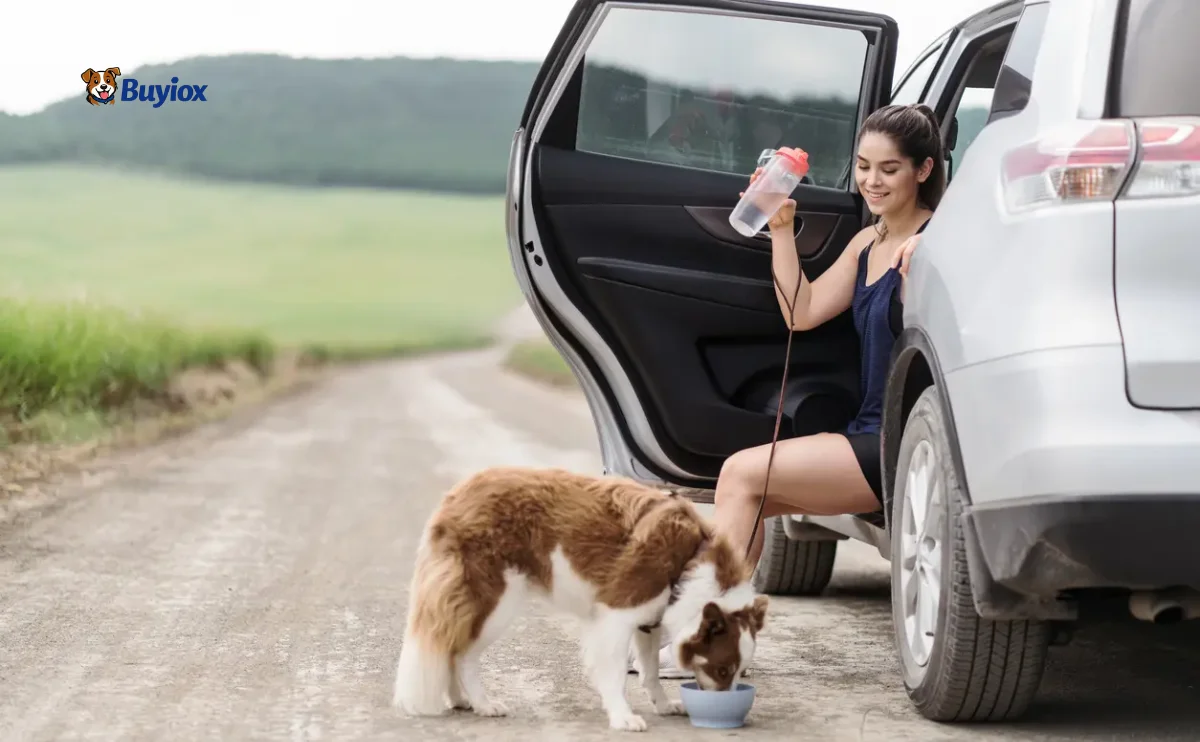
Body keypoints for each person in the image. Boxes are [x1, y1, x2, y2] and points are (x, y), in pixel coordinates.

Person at [635, 103, 948, 679]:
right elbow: (799, 313)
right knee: (746, 499)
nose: (871, 182)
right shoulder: (865, 243)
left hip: (902, 444)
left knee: (741, 473)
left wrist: (934, 248)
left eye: (889, 169)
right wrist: (781, 229)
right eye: (862, 167)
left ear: (923, 170)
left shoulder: (942, 241)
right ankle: (712, 639)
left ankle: (702, 638)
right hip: (865, 431)